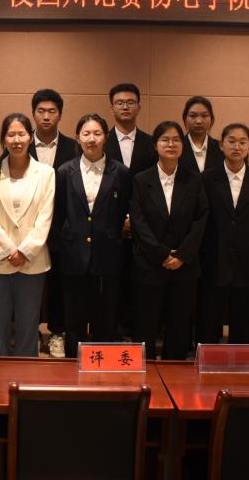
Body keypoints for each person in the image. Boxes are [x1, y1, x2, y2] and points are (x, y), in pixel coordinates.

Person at [51, 114, 131, 358]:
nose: (91, 139)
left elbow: (123, 211)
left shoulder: (121, 172)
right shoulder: (65, 171)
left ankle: (101, 368)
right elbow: (59, 214)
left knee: (105, 319)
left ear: (106, 137)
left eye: (97, 133)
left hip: (107, 256)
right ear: (78, 137)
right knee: (73, 319)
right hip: (73, 256)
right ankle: (72, 368)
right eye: (86, 134)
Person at [131, 121, 208, 360]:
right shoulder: (141, 180)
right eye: (165, 139)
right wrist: (162, 254)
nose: (171, 144)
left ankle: (175, 372)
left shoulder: (194, 180)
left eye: (176, 140)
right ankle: (145, 372)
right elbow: (138, 222)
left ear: (182, 146)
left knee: (179, 324)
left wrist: (182, 255)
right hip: (150, 263)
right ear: (155, 145)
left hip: (184, 266)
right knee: (145, 323)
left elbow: (201, 219)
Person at [0, 113, 55, 357]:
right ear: (3, 139)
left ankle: (26, 370)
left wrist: (24, 250)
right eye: (11, 134)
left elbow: (45, 216)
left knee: (28, 323)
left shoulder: (46, 173)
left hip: (32, 261)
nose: (16, 140)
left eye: (21, 134)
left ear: (30, 137)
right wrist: (8, 250)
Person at [197, 123, 249, 345]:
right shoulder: (206, 179)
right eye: (231, 141)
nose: (236, 147)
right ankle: (207, 360)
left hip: (247, 263)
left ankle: (242, 361)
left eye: (242, 142)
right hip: (213, 260)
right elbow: (199, 221)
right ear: (221, 145)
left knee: (244, 322)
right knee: (209, 320)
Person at [26, 89, 78, 358]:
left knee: (59, 284)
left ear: (60, 114)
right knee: (29, 284)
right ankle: (30, 332)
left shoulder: (73, 146)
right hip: (28, 227)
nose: (46, 116)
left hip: (62, 227)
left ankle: (57, 333)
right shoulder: (21, 143)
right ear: (33, 114)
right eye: (41, 111)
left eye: (52, 111)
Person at [105, 83, 157, 342]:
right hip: (109, 227)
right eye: (119, 102)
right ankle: (112, 334)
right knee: (112, 282)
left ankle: (137, 336)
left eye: (130, 102)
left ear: (139, 106)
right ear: (111, 107)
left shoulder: (152, 144)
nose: (125, 106)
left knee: (140, 284)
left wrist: (134, 220)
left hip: (144, 227)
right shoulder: (100, 141)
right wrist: (120, 221)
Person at [179, 96, 224, 175]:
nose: (199, 121)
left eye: (204, 116)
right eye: (193, 116)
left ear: (212, 119)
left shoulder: (221, 148)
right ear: (185, 119)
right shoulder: (177, 147)